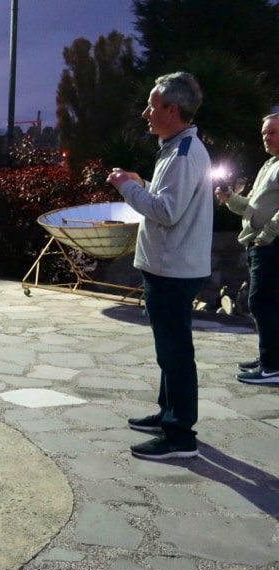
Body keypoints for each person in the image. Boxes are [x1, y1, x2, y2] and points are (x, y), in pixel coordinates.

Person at [106, 72, 214, 461]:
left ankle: (179, 435)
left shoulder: (184, 154)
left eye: (152, 105)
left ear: (172, 109)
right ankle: (168, 414)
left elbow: (167, 211)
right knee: (169, 350)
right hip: (169, 267)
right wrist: (143, 184)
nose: (145, 113)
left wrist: (125, 185)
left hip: (173, 270)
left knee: (175, 352)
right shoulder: (177, 149)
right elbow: (170, 200)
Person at [216, 113, 279, 385]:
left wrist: (266, 236)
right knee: (269, 303)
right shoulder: (269, 165)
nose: (267, 137)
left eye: (273, 132)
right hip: (260, 243)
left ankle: (271, 365)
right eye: (265, 132)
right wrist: (230, 199)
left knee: (260, 302)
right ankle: (270, 358)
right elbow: (253, 205)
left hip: (271, 245)